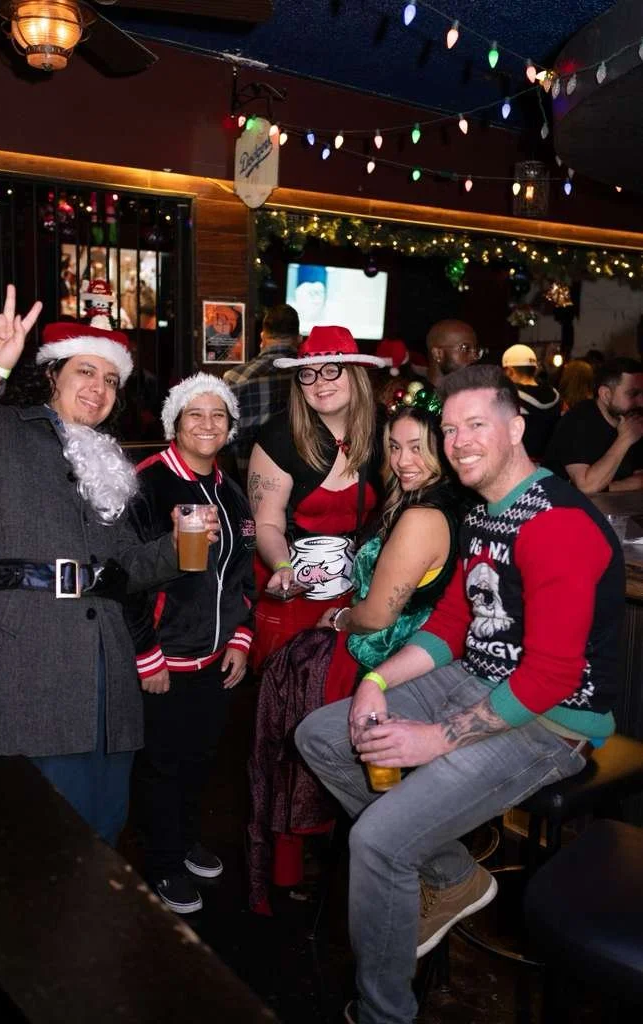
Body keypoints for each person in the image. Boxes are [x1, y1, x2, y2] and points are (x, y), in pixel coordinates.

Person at [296, 363, 624, 1024]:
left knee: (380, 842)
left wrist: (431, 739)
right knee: (322, 734)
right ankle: (453, 874)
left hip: (552, 719)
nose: (459, 441)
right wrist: (379, 681)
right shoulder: (484, 512)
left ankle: (383, 1013)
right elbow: (451, 624)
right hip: (478, 676)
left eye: (476, 424)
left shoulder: (556, 523)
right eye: (450, 429)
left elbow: (551, 678)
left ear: (516, 427)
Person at [0, 287, 192, 847]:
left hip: (105, 675)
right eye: (86, 372)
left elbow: (125, 569)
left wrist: (182, 545)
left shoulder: (108, 461)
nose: (100, 388)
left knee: (102, 829)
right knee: (28, 836)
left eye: (112, 380)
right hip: (23, 662)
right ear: (51, 376)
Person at [247, 391, 461, 913]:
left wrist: (341, 616)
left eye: (417, 447)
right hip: (397, 652)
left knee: (297, 704)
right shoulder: (420, 499)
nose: (404, 460)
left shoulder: (422, 515)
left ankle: (398, 864)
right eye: (394, 448)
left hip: (386, 655)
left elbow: (378, 616)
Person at [130, 373, 256, 914]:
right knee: (161, 765)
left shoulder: (229, 489)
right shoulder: (148, 484)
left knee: (200, 760)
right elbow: (124, 575)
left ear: (230, 425)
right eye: (194, 415)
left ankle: (182, 842)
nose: (207, 425)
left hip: (214, 658)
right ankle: (160, 864)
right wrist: (147, 652)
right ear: (174, 423)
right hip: (165, 658)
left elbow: (244, 571)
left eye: (217, 415)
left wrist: (242, 637)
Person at [247, 325, 387, 673]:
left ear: (356, 374)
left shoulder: (385, 429)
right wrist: (282, 567)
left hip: (359, 591)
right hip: (292, 589)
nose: (319, 382)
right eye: (307, 375)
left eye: (331, 370)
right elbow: (266, 522)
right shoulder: (279, 435)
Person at [223, 304, 301, 483]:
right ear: (299, 339)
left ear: (262, 337)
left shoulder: (235, 378)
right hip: (304, 483)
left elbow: (225, 443)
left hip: (250, 482)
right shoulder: (311, 376)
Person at [544, 356, 643, 493]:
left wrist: (607, 487)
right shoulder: (577, 421)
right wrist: (625, 439)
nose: (641, 402)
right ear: (606, 395)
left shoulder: (634, 419)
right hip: (559, 509)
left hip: (615, 511)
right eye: (633, 394)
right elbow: (587, 486)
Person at [501, 343, 560, 460]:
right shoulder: (555, 394)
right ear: (535, 369)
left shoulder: (510, 398)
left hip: (519, 464)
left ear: (509, 371)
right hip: (549, 465)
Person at [425, 319, 480, 388]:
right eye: (465, 348)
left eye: (476, 350)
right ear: (438, 354)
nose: (474, 357)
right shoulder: (415, 396)